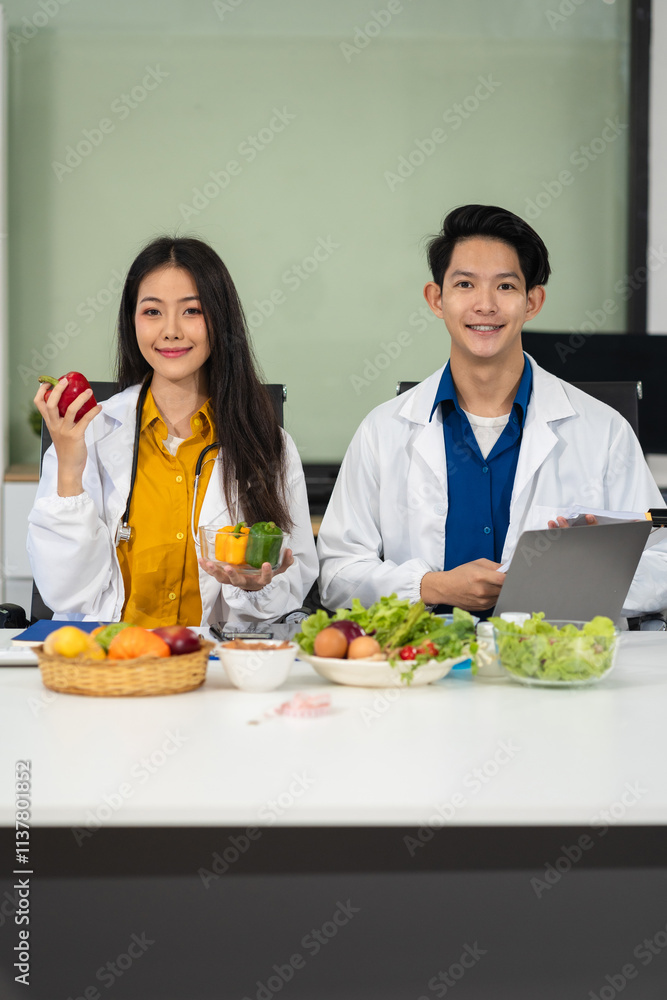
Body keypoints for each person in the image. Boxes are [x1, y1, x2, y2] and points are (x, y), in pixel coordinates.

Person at [318, 204, 667, 618]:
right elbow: (337, 575)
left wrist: (578, 574)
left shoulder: (603, 431)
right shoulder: (383, 430)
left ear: (532, 301)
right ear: (437, 299)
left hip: (547, 653)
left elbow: (661, 563)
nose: (485, 305)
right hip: (427, 655)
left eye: (505, 286)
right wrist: (432, 586)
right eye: (465, 284)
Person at [28, 236, 318, 626]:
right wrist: (69, 467)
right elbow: (63, 592)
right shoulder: (90, 434)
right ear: (131, 322)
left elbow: (292, 583)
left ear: (220, 320)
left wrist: (254, 589)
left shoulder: (269, 444)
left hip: (212, 658)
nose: (170, 331)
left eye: (192, 311)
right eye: (152, 311)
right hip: (109, 655)